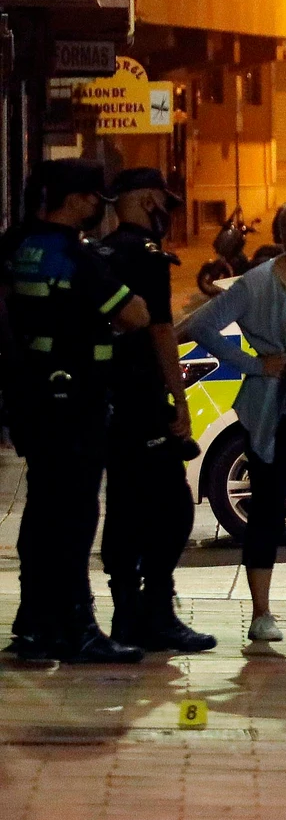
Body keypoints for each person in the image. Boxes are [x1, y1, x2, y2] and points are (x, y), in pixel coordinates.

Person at [0, 160, 151, 662]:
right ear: (75, 200)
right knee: (74, 513)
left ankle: (34, 624)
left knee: (42, 509)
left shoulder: (15, 247)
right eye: (93, 200)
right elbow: (135, 314)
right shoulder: (76, 257)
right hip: (77, 401)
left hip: (28, 398)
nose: (97, 210)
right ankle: (77, 624)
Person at [179, 197, 286, 651]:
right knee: (267, 511)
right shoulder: (258, 283)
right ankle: (262, 613)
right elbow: (202, 326)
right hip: (271, 411)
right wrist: (252, 363)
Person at [98, 167, 216, 653]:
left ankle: (127, 610)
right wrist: (180, 398)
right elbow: (162, 331)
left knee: (124, 503)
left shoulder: (98, 253)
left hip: (104, 396)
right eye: (162, 203)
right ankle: (157, 612)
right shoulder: (144, 257)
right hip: (141, 398)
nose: (166, 213)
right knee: (170, 505)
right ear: (147, 200)